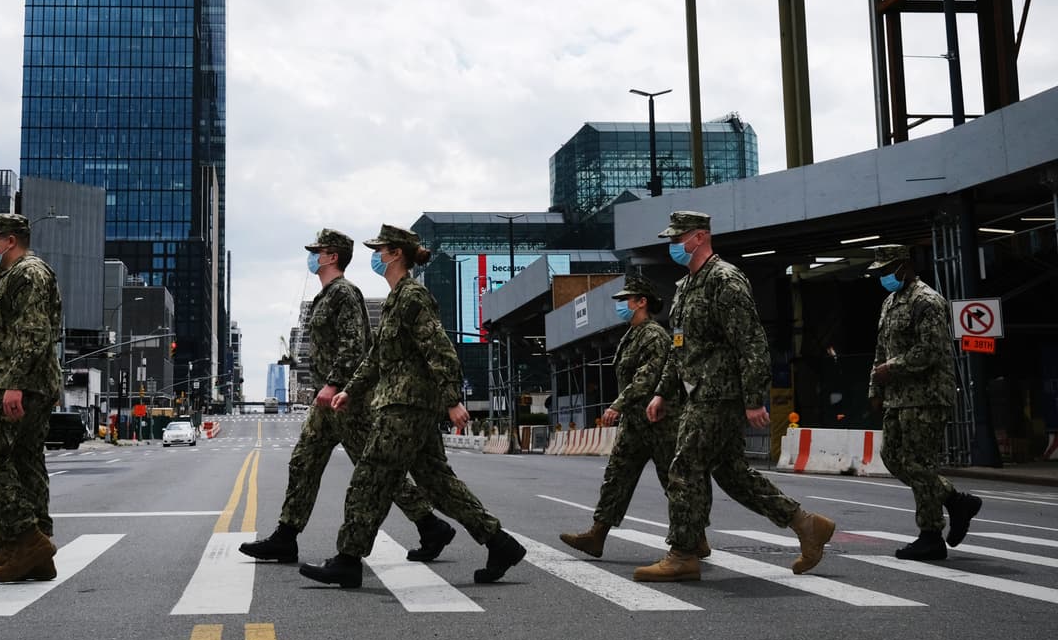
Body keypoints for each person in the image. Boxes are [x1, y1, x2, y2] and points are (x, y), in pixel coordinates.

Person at [299, 224, 527, 588]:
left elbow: (439, 349)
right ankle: (501, 543)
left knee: (369, 478)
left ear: (395, 254)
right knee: (438, 485)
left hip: (406, 407)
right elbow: (375, 358)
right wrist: (351, 391)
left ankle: (347, 559)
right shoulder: (395, 299)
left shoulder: (413, 298)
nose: (375, 255)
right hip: (403, 406)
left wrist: (453, 400)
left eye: (381, 250)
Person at [634, 211, 835, 583]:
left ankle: (683, 552)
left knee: (684, 467)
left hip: (719, 394)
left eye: (679, 239)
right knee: (732, 473)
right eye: (671, 240)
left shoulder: (724, 280)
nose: (673, 246)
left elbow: (751, 342)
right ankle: (807, 525)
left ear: (701, 237)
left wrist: (754, 397)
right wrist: (663, 392)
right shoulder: (687, 286)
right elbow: (680, 348)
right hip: (698, 393)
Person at [241, 229, 455, 564]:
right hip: (326, 400)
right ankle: (286, 535)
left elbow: (356, 346)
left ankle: (429, 524)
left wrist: (337, 384)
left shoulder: (345, 293)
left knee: (377, 472)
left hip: (345, 400)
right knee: (303, 462)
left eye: (318, 251)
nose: (312, 256)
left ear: (332, 256)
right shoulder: (323, 297)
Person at [560, 273, 710, 559]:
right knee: (617, 476)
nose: (620, 304)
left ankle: (696, 537)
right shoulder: (631, 335)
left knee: (674, 482)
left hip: (660, 421)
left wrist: (617, 404)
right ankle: (597, 535)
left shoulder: (654, 335)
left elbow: (647, 377)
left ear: (641, 302)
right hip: (635, 424)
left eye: (625, 300)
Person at [0, 213, 63, 582]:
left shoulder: (27, 273)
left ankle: (25, 537)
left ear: (11, 240)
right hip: (25, 383)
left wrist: (13, 384)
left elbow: (32, 332)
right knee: (24, 462)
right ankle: (32, 548)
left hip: (18, 384)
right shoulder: (19, 275)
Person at [868, 244, 982, 560]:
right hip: (897, 398)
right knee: (892, 457)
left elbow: (930, 351)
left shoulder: (928, 301)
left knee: (920, 463)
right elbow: (880, 349)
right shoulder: (890, 302)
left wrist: (893, 369)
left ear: (904, 266)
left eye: (886, 269)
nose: (883, 276)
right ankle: (956, 501)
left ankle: (930, 535)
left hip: (927, 396)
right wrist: (875, 389)